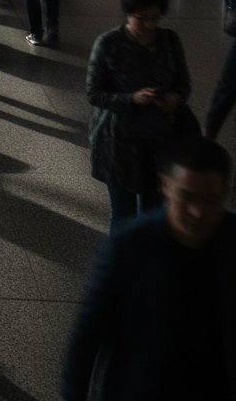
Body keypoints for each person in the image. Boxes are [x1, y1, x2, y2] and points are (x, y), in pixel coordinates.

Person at [62, 136, 236, 401]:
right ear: (166, 186)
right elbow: (87, 335)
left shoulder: (231, 238)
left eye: (210, 200)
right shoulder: (128, 245)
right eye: (186, 197)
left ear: (225, 192)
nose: (197, 212)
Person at [86, 0, 192, 230]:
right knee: (123, 216)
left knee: (154, 214)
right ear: (127, 14)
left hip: (159, 145)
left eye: (154, 18)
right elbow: (94, 93)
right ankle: (122, 266)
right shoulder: (108, 44)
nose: (148, 25)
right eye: (141, 18)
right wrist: (131, 99)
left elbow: (184, 84)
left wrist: (174, 99)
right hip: (118, 146)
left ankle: (147, 265)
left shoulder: (169, 41)